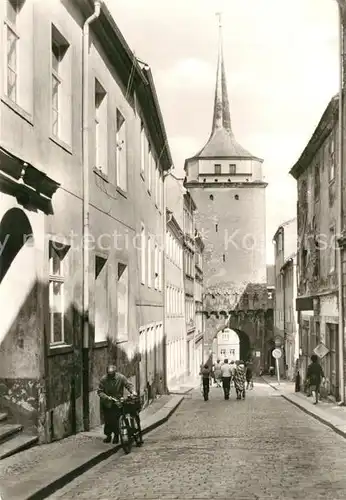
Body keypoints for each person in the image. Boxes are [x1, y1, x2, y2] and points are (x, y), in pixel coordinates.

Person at [97, 364, 138, 443]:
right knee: (108, 420)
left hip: (118, 401)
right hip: (107, 402)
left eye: (112, 374)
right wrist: (106, 397)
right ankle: (108, 435)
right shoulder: (103, 379)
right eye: (109, 374)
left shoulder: (120, 377)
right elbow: (100, 391)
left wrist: (133, 391)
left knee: (116, 419)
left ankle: (116, 435)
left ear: (115, 373)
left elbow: (128, 385)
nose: (111, 376)